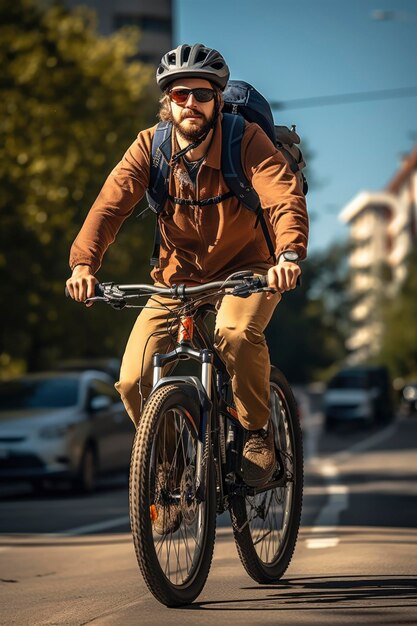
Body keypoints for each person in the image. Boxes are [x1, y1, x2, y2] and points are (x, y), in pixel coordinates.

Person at [66, 43, 308, 487]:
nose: (191, 103)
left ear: (217, 99)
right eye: (181, 95)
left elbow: (282, 197)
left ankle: (256, 433)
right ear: (168, 102)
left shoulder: (244, 139)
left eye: (202, 94)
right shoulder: (149, 147)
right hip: (177, 281)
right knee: (132, 380)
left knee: (234, 333)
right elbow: (108, 208)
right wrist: (84, 265)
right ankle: (169, 462)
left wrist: (288, 255)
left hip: (249, 271)